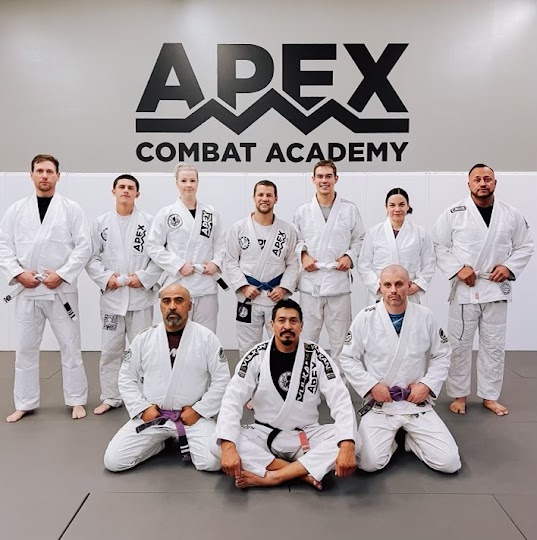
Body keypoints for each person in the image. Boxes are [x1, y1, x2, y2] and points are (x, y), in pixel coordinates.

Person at [213, 299, 359, 490]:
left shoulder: (317, 355)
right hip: (264, 433)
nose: (287, 326)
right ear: (272, 325)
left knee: (354, 441)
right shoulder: (256, 355)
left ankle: (275, 476)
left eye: (293, 321)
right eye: (281, 320)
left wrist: (347, 444)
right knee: (217, 443)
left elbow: (340, 399)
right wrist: (228, 446)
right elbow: (232, 399)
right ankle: (301, 473)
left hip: (307, 434)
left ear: (301, 326)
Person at [433, 163, 534, 416]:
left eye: (487, 179)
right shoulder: (454, 213)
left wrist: (509, 267)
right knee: (459, 345)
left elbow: (526, 245)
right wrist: (458, 269)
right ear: (468, 184)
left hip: (496, 287)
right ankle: (459, 395)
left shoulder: (511, 214)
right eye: (477, 179)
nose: (482, 183)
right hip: (465, 289)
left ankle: (490, 396)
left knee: (494, 345)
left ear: (495, 183)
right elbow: (438, 245)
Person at [340, 264, 461, 473]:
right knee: (368, 463)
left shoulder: (425, 316)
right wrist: (371, 386)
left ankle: (410, 441)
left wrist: (426, 385)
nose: (393, 290)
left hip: (415, 403)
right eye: (387, 285)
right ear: (380, 287)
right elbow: (348, 357)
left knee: (450, 463)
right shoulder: (366, 317)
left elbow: (442, 354)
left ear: (409, 286)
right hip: (381, 405)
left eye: (399, 284)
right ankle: (394, 441)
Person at [0, 154, 91, 422]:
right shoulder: (16, 210)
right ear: (31, 175)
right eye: (39, 171)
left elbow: (84, 246)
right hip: (28, 289)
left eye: (49, 171)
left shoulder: (71, 209)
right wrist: (18, 274)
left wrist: (62, 274)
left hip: (60, 290)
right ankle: (25, 402)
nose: (44, 176)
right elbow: (3, 246)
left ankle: (76, 400)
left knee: (71, 346)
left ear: (58, 176)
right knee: (25, 349)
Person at [103, 282, 230, 472]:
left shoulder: (206, 338)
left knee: (213, 462)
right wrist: (142, 408)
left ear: (189, 305)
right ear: (160, 305)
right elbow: (126, 377)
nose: (172, 306)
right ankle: (160, 443)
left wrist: (199, 410)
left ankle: (176, 437)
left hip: (192, 418)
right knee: (114, 462)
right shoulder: (144, 338)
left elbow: (222, 380)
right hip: (153, 416)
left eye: (179, 301)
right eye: (166, 301)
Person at [86, 174, 162, 415]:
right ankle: (111, 396)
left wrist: (144, 277)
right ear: (113, 191)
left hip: (140, 298)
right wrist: (106, 278)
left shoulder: (150, 222)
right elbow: (91, 257)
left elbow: (159, 257)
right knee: (110, 351)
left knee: (143, 352)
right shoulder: (101, 223)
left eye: (130, 187)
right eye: (122, 187)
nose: (126, 191)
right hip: (112, 298)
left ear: (137, 194)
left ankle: (145, 397)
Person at [293, 159, 365, 365]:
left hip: (338, 282)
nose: (324, 180)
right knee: (307, 340)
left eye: (328, 176)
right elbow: (295, 240)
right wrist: (303, 256)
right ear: (313, 179)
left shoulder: (349, 209)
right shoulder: (303, 211)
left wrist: (349, 256)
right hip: (311, 283)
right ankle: (306, 382)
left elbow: (360, 239)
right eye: (320, 176)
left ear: (336, 179)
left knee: (341, 342)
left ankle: (339, 384)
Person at [146, 163, 226, 333]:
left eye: (192, 180)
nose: (188, 185)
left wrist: (216, 263)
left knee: (207, 334)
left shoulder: (210, 213)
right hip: (177, 284)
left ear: (198, 182)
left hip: (205, 283)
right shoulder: (166, 213)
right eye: (184, 181)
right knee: (177, 333)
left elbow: (221, 243)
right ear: (177, 183)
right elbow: (153, 246)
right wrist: (178, 264)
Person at [225, 180, 299, 358]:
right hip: (248, 298)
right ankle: (249, 377)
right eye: (260, 195)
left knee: (282, 346)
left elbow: (293, 263)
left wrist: (283, 288)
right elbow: (231, 261)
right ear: (254, 198)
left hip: (275, 298)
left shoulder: (287, 230)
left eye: (269, 195)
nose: (264, 198)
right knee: (247, 350)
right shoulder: (239, 228)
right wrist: (243, 287)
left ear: (276, 199)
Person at [357, 187, 435, 304]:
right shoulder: (374, 233)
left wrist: (417, 285)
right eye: (392, 205)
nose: (397, 209)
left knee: (409, 316)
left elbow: (429, 263)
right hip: (381, 293)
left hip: (408, 292)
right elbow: (363, 264)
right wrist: (378, 286)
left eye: (401, 205)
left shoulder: (420, 233)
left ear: (408, 206)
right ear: (386, 207)